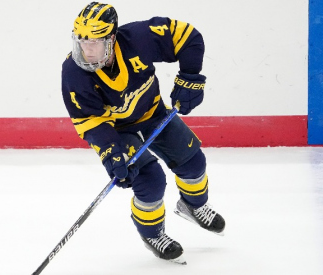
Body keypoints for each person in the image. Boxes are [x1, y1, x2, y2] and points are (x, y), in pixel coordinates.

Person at [61, 2, 225, 264]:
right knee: (150, 180)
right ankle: (153, 234)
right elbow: (89, 120)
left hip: (153, 114)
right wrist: (111, 153)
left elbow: (188, 36)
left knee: (194, 162)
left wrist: (190, 77)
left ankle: (193, 205)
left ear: (112, 38)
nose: (86, 49)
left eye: (94, 41)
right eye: (81, 40)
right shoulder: (73, 72)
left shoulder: (138, 38)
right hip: (117, 131)